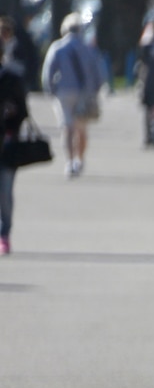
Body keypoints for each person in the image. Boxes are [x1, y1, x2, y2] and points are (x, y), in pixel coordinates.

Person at [41, 13, 103, 178]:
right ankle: (80, 160)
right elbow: (99, 72)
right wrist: (95, 90)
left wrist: (51, 89)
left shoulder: (58, 47)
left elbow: (48, 72)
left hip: (64, 92)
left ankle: (69, 161)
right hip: (84, 92)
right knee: (81, 129)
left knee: (67, 128)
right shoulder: (89, 48)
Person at [0, 36, 30, 255]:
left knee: (5, 191)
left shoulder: (11, 79)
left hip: (7, 143)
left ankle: (4, 233)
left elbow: (23, 111)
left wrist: (12, 121)